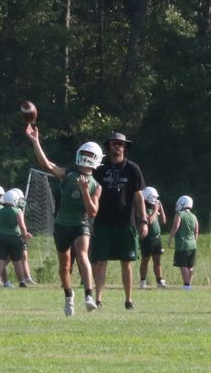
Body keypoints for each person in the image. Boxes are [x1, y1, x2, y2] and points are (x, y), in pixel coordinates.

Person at [26, 125, 101, 316]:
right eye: (84, 153)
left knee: (83, 254)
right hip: (62, 224)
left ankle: (89, 296)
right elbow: (46, 164)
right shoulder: (67, 175)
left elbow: (92, 211)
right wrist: (36, 141)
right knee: (65, 264)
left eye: (89, 154)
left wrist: (85, 191)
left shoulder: (96, 186)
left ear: (96, 160)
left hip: (80, 223)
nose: (86, 157)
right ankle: (69, 296)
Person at [91, 132, 148, 310]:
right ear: (108, 147)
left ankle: (128, 300)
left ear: (125, 147)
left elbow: (139, 196)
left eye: (120, 144)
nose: (117, 147)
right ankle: (98, 299)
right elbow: (91, 194)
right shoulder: (99, 169)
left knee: (127, 262)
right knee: (100, 262)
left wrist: (143, 220)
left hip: (126, 222)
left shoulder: (132, 169)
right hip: (103, 222)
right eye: (114, 144)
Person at [0, 190, 32, 288]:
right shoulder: (18, 211)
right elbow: (22, 226)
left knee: (0, 260)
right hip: (15, 238)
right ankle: (22, 282)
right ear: (14, 200)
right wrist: (25, 235)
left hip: (1, 238)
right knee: (17, 261)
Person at [167, 195, 199, 290]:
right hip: (193, 244)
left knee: (182, 265)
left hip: (182, 244)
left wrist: (170, 238)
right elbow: (196, 231)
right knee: (190, 266)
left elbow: (176, 226)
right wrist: (194, 241)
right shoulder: (194, 216)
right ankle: (189, 285)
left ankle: (186, 285)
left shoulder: (179, 213)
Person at [139, 186, 167, 289]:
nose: (155, 200)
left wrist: (161, 208)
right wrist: (155, 210)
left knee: (157, 261)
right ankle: (143, 281)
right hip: (147, 239)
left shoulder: (154, 207)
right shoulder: (143, 208)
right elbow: (150, 221)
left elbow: (163, 221)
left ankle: (160, 281)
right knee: (145, 260)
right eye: (153, 197)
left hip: (157, 238)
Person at [11, 187, 36, 284]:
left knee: (24, 256)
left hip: (21, 235)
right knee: (9, 257)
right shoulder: (12, 209)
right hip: (15, 234)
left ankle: (28, 278)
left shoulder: (19, 208)